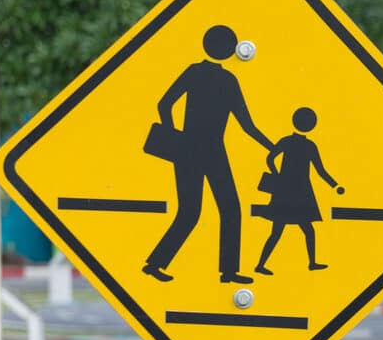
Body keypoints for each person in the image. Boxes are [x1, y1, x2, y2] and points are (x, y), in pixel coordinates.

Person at [143, 25, 273, 284]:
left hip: (190, 149)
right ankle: (227, 272)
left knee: (191, 211)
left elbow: (164, 104)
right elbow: (247, 125)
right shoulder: (228, 81)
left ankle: (155, 264)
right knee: (229, 210)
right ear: (229, 50)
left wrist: (174, 137)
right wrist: (272, 147)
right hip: (212, 150)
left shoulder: (195, 72)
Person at [255, 107, 344, 275]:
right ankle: (262, 264)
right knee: (295, 230)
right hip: (300, 191)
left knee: (283, 231)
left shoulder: (287, 141)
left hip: (289, 191)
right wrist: (334, 185)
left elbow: (270, 158)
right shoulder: (310, 146)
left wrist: (277, 174)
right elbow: (320, 171)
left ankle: (310, 263)